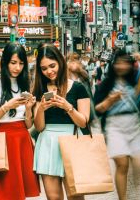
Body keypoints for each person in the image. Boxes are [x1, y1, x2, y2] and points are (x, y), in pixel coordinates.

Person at [0, 43, 40, 200]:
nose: (17, 68)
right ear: (5, 62)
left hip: (22, 139)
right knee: (4, 192)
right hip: (2, 140)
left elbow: (28, 125)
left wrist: (28, 108)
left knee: (20, 193)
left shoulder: (25, 83)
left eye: (21, 63)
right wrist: (6, 107)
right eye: (13, 63)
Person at [33, 44, 90, 200]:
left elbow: (83, 122)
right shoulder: (40, 89)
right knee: (54, 198)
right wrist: (41, 109)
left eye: (52, 66)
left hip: (72, 140)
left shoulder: (78, 88)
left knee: (76, 196)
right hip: (47, 143)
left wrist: (68, 107)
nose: (49, 71)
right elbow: (39, 127)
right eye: (44, 69)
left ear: (60, 62)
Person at [94, 50, 140, 200]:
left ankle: (137, 192)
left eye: (126, 62)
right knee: (122, 164)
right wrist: (110, 101)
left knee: (139, 164)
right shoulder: (106, 84)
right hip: (115, 124)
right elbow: (97, 110)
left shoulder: (136, 80)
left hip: (135, 123)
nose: (122, 66)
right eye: (119, 62)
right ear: (113, 64)